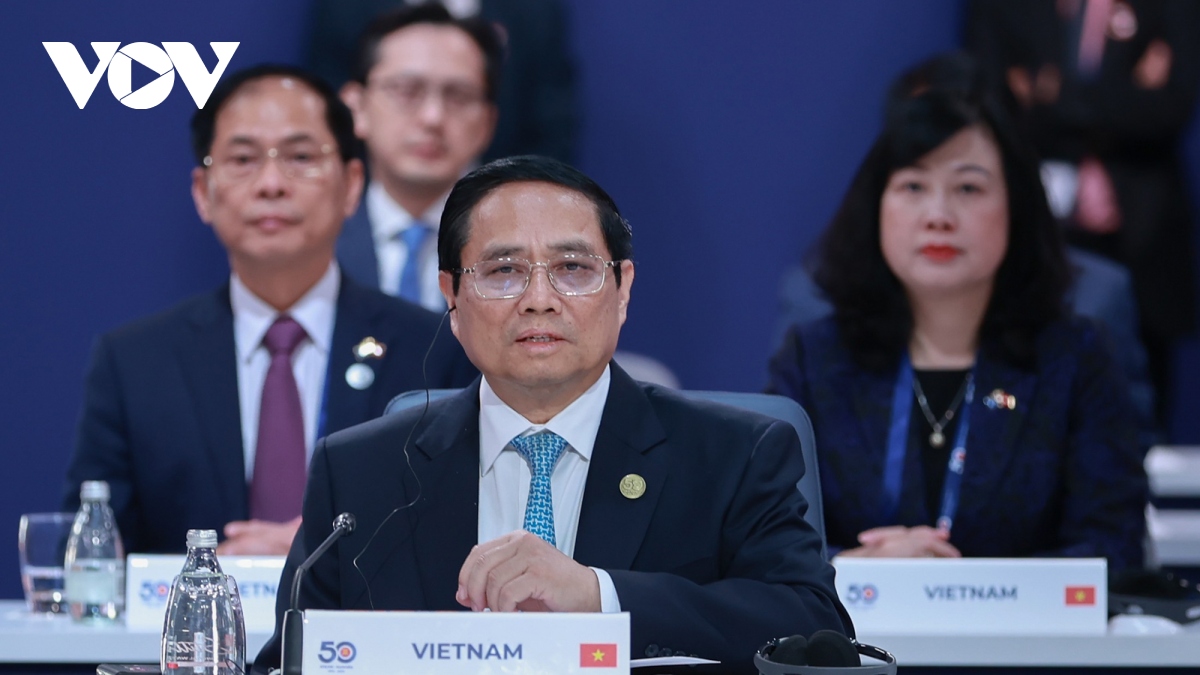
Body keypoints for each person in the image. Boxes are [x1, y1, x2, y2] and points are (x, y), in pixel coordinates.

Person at [252, 156, 851, 674]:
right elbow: (290, 659)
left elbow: (814, 629)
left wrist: (599, 596)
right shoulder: (360, 472)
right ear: (452, 297)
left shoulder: (734, 455)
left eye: (572, 269)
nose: (539, 300)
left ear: (622, 289)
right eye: (503, 271)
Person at [62, 64, 477, 556]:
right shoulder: (134, 363)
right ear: (203, 192)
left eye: (300, 157)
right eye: (243, 159)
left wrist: (319, 549)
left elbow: (461, 527)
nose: (272, 183)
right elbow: (90, 554)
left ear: (351, 184)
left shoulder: (435, 347)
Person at [766, 80, 1148, 569]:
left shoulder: (1075, 359)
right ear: (876, 206)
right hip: (851, 619)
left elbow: (1115, 545)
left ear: (1017, 207)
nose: (939, 216)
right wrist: (858, 565)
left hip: (1023, 622)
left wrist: (967, 589)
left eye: (968, 188)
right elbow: (768, 540)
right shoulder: (814, 359)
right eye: (913, 186)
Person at [966, 0, 1200, 429]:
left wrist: (1054, 92)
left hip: (1144, 233)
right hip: (1037, 229)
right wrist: (1124, 93)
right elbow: (995, 107)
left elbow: (1171, 108)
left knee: (1138, 413)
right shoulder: (1001, 8)